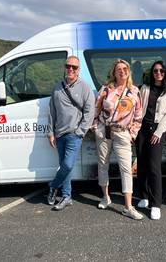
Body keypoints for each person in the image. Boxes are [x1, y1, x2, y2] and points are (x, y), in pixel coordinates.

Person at [93, 59, 144, 220]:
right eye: (118, 69)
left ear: (128, 72)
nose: (121, 71)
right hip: (105, 131)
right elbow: (96, 109)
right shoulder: (106, 89)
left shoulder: (134, 91)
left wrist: (132, 134)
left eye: (124, 69)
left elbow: (138, 116)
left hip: (123, 133)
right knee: (103, 164)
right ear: (114, 73)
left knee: (126, 169)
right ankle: (105, 197)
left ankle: (128, 206)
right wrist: (96, 128)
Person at [47, 56, 95, 210]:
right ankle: (67, 196)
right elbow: (51, 112)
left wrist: (80, 131)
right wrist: (51, 133)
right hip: (59, 134)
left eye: (74, 67)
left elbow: (90, 111)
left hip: (74, 134)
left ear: (78, 70)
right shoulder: (57, 87)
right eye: (68, 66)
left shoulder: (84, 87)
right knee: (64, 166)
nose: (71, 69)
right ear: (64, 67)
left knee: (67, 165)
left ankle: (53, 186)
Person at [136, 61, 166, 220]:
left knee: (154, 168)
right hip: (141, 129)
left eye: (161, 70)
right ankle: (144, 197)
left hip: (157, 130)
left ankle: (156, 204)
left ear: (165, 72)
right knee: (142, 164)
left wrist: (159, 132)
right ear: (151, 73)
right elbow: (138, 108)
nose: (158, 73)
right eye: (155, 71)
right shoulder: (145, 88)